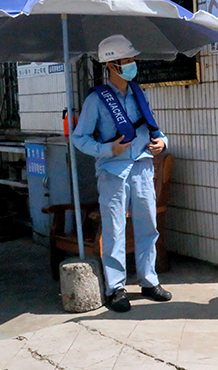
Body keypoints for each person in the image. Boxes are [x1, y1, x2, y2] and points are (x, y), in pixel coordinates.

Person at [73, 34, 172, 312]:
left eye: (132, 59)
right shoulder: (96, 100)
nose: (131, 65)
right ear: (111, 65)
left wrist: (162, 142)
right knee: (114, 231)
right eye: (126, 60)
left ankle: (149, 281)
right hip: (113, 172)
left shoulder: (139, 94)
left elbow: (154, 129)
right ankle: (115, 288)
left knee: (148, 227)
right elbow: (79, 138)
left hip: (142, 168)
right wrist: (108, 149)